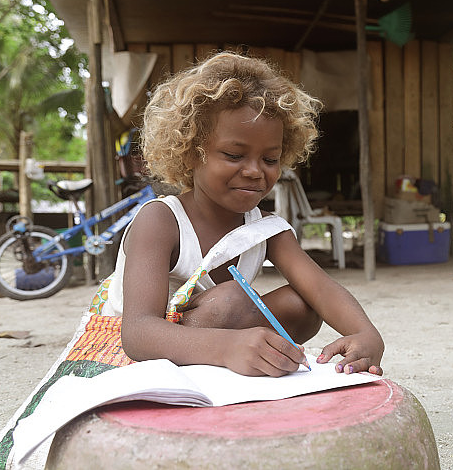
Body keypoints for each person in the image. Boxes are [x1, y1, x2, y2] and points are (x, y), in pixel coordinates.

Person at [99, 52, 384, 378]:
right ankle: (230, 355)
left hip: (210, 337)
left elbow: (321, 288)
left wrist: (366, 334)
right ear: (192, 153)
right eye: (234, 155)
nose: (254, 171)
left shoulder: (267, 230)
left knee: (302, 304)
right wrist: (226, 347)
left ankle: (236, 358)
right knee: (231, 300)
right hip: (134, 351)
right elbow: (137, 333)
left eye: (270, 159)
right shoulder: (161, 221)